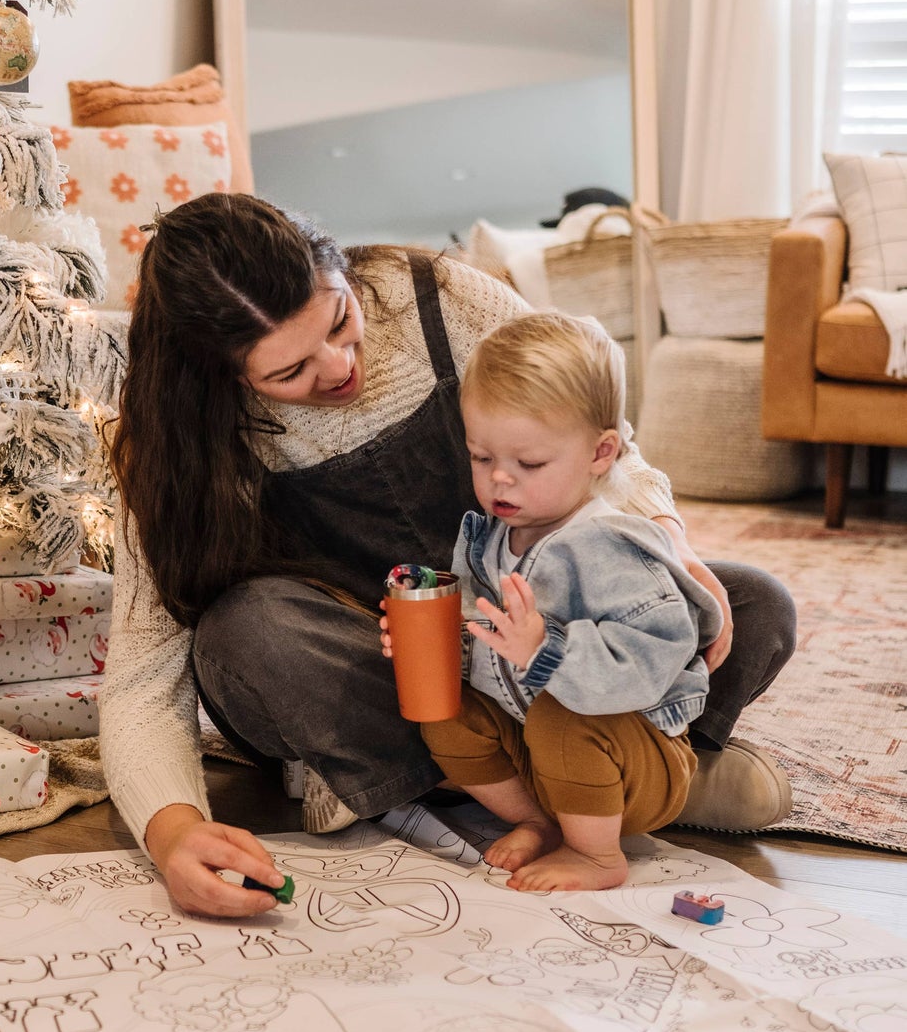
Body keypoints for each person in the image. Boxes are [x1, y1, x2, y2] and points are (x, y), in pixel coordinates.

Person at [101, 194, 795, 918]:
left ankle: (599, 778)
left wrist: (665, 533)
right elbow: (142, 677)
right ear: (220, 379)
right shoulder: (178, 446)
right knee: (252, 635)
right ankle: (609, 788)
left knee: (749, 603)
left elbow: (596, 432)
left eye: (340, 322)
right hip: (382, 666)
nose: (339, 367)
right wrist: (174, 834)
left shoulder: (436, 297)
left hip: (540, 631)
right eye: (290, 373)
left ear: (342, 271)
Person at [403, 310, 721, 892]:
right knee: (441, 711)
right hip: (540, 758)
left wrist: (546, 648)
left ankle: (598, 855)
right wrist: (434, 639)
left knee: (561, 716)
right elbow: (482, 644)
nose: (501, 479)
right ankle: (537, 820)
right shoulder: (489, 539)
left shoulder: (610, 543)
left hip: (629, 764)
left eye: (529, 464)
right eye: (481, 458)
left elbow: (653, 658)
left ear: (601, 453)